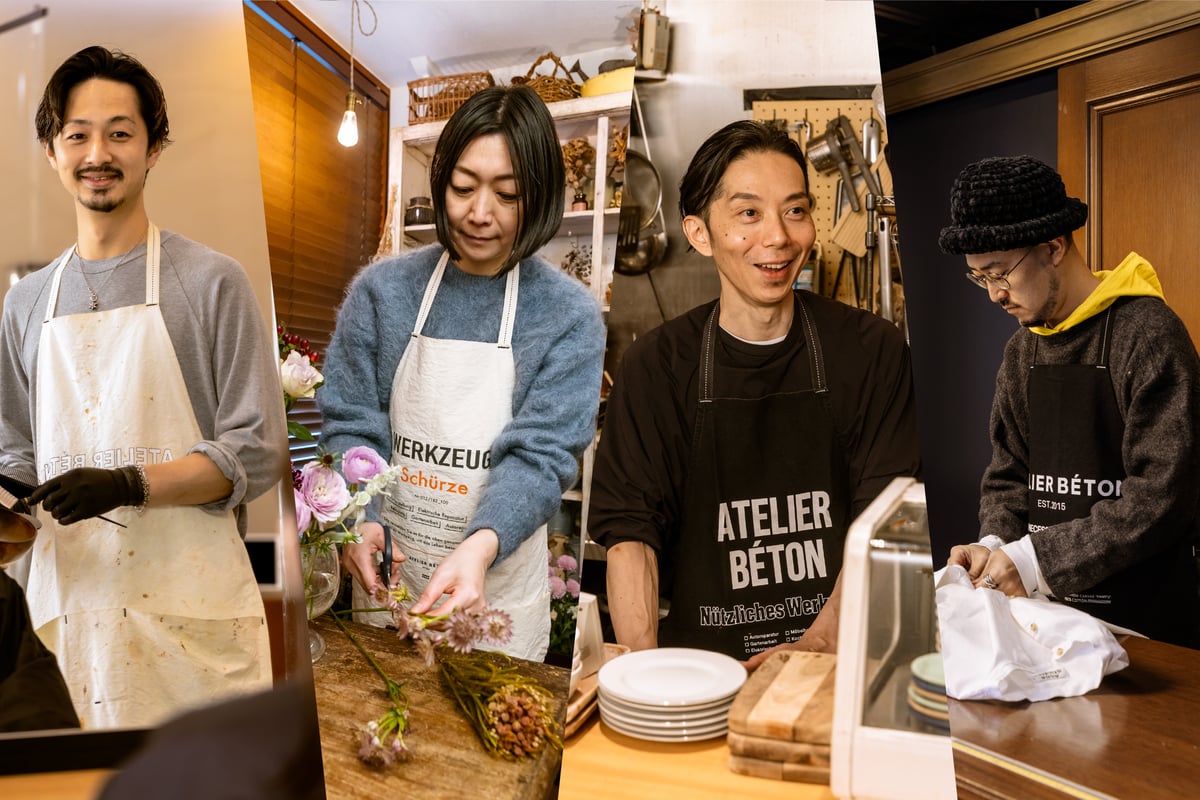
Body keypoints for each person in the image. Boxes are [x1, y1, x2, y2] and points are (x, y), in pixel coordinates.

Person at [0, 46, 288, 728]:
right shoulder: (26, 304)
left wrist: (128, 485)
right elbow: (14, 453)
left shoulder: (213, 282)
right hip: (66, 617)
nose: (98, 152)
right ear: (52, 150)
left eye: (120, 133)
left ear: (153, 148)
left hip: (191, 622)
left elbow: (257, 452)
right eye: (78, 134)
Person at [588, 121, 921, 666]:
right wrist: (646, 669)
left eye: (795, 210)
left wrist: (818, 644)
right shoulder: (656, 366)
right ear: (699, 234)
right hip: (700, 668)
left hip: (838, 662)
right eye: (749, 214)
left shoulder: (872, 352)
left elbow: (884, 521)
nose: (779, 238)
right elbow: (631, 531)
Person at [320, 85, 605, 661]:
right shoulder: (381, 293)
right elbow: (352, 423)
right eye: (463, 187)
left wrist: (478, 547)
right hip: (386, 588)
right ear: (441, 179)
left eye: (508, 194)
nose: (480, 214)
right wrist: (360, 516)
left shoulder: (568, 316)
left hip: (494, 600)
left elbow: (540, 456)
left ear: (540, 197)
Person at [939, 155, 1200, 649]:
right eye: (980, 279)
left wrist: (1035, 561)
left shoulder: (1146, 334)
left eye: (1000, 273)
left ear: (1053, 247)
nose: (994, 295)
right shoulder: (1022, 351)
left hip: (1149, 628)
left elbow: (1164, 498)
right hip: (1048, 627)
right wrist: (994, 545)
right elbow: (1009, 476)